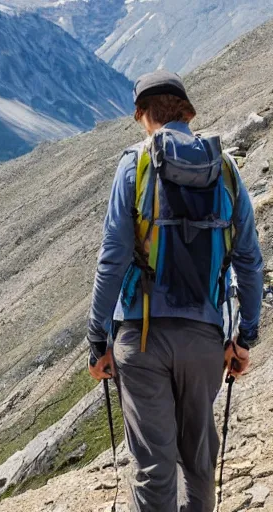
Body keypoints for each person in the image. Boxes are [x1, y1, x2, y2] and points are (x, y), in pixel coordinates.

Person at [87, 70, 263, 512]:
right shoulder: (224, 169)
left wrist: (97, 339)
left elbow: (112, 258)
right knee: (199, 462)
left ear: (143, 115)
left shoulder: (135, 163)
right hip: (204, 338)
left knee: (153, 467)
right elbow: (248, 259)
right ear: (186, 112)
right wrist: (245, 337)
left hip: (141, 337)